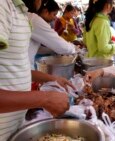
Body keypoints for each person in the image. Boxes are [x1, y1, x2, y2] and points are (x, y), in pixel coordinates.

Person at [0, 0, 69, 140]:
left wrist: (52, 79)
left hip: (12, 128)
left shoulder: (21, 11)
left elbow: (17, 67)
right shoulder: (3, 6)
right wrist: (45, 98)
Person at [27, 0, 76, 69]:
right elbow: (61, 46)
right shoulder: (34, 19)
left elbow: (35, 48)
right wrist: (74, 49)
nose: (55, 18)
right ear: (46, 12)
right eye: (54, 14)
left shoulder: (28, 17)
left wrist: (53, 49)